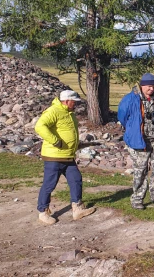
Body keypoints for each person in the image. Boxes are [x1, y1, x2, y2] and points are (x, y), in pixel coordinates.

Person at [35, 90, 96, 225]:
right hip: (54, 156)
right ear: (67, 101)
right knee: (49, 184)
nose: (76, 104)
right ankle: (43, 211)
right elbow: (40, 126)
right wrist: (55, 141)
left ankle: (77, 208)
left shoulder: (69, 113)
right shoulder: (54, 111)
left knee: (76, 179)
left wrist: (75, 144)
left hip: (67, 155)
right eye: (74, 101)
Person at [117, 73, 154, 210]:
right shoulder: (130, 98)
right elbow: (122, 116)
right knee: (141, 170)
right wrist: (132, 128)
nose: (151, 88)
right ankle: (137, 199)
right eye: (149, 86)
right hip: (138, 140)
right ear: (142, 85)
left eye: (153, 86)